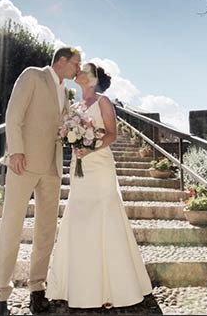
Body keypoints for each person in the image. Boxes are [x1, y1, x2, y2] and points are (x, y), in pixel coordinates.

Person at [46, 62, 153, 309]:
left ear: (93, 79)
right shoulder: (73, 106)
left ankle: (113, 287)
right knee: (79, 218)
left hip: (100, 165)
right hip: (79, 166)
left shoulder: (103, 101)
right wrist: (72, 140)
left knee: (105, 216)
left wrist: (90, 146)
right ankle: (79, 286)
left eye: (84, 70)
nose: (79, 72)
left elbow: (112, 134)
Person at [0, 47, 81, 315]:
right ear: (62, 61)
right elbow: (13, 114)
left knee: (46, 231)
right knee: (11, 227)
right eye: (77, 63)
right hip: (24, 163)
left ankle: (37, 289)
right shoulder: (32, 75)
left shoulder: (65, 91)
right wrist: (16, 150)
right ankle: (0, 296)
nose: (79, 67)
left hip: (52, 167)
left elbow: (62, 127)